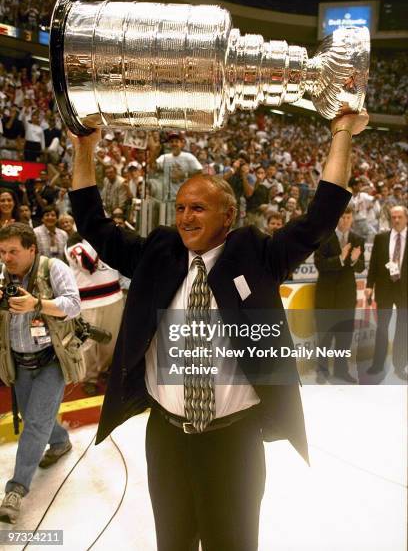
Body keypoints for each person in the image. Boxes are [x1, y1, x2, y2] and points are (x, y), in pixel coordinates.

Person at [68, 109, 368, 551]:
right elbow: (94, 224)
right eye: (181, 208)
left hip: (234, 441)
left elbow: (320, 218)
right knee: (172, 543)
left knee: (233, 543)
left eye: (199, 208)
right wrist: (84, 147)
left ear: (227, 216)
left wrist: (341, 133)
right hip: (167, 437)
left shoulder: (257, 256)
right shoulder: (160, 252)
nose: (186, 217)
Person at [0, 222, 81, 524]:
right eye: (3, 252)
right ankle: (60, 441)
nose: (7, 258)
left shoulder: (53, 268)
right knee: (39, 418)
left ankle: (15, 490)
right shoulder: (2, 274)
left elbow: (74, 305)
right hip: (19, 363)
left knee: (34, 422)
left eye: (13, 252)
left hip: (51, 360)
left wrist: (37, 303)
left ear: (31, 249)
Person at [65, 233, 124, 395]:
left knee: (111, 341)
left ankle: (104, 370)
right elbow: (87, 263)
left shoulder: (110, 239)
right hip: (88, 303)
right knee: (87, 344)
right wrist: (100, 239)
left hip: (114, 297)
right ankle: (88, 378)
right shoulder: (73, 243)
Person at [314, 207, 365, 384]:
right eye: (342, 216)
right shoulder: (324, 236)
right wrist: (341, 259)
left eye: (348, 217)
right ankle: (321, 371)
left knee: (344, 337)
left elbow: (360, 268)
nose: (344, 220)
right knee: (324, 337)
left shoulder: (358, 239)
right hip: (326, 296)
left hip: (346, 296)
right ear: (337, 218)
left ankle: (341, 371)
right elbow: (319, 264)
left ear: (352, 219)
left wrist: (355, 260)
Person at [365, 205, 407, 380]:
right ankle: (378, 364)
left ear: (406, 218)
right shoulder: (381, 238)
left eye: (399, 217)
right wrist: (369, 285)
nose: (396, 220)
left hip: (405, 291)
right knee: (382, 327)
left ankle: (400, 366)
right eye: (393, 217)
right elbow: (374, 264)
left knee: (403, 329)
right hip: (384, 289)